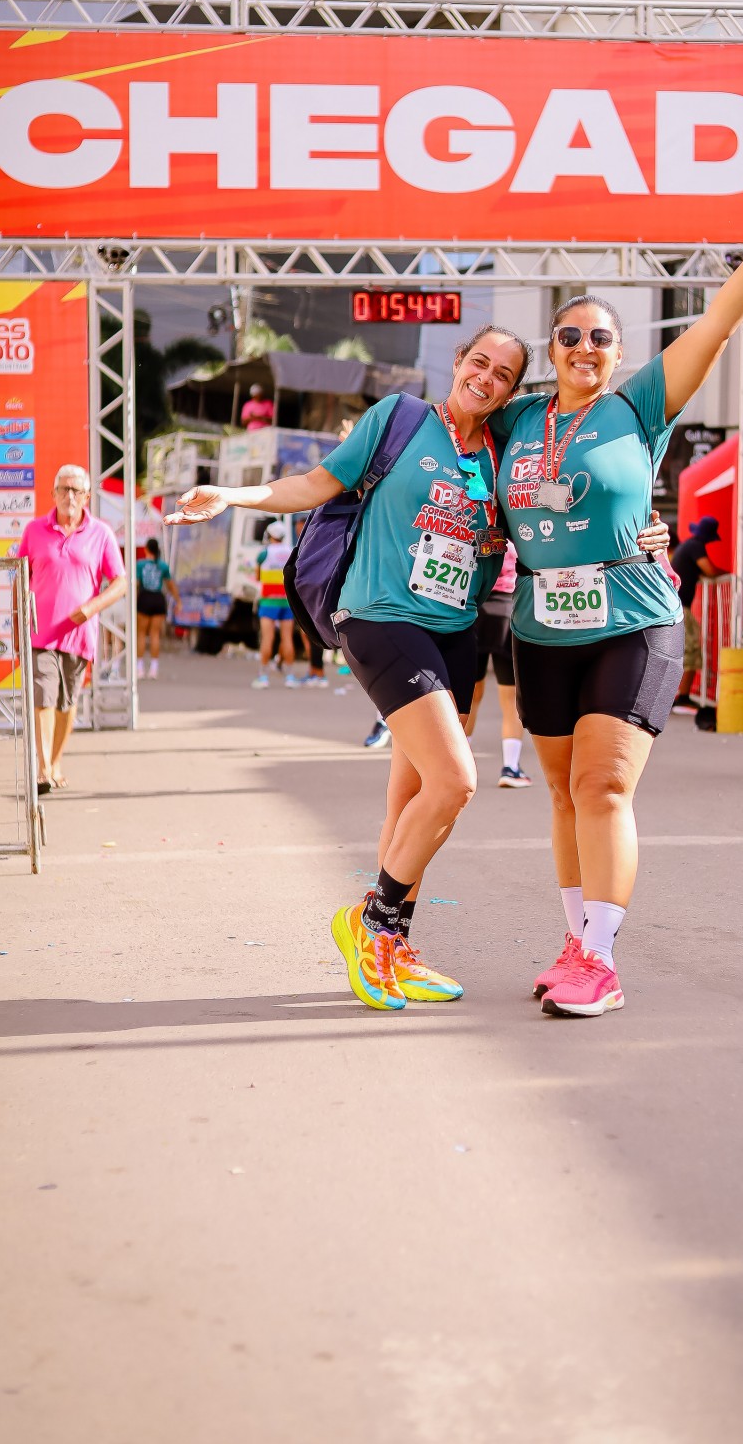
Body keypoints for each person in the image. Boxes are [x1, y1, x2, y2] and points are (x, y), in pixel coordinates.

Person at [493, 164, 743, 1017]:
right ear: (551, 349)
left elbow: (718, 321)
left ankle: (601, 961)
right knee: (564, 793)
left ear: (619, 353)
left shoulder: (640, 404)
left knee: (604, 785)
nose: (584, 347)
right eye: (569, 335)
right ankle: (576, 939)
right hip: (541, 623)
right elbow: (452, 434)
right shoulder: (515, 419)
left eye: (600, 338)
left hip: (633, 617)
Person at [169, 326, 535, 1010]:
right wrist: (234, 495)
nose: (486, 378)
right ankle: (371, 923)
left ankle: (392, 946)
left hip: (456, 630)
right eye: (479, 362)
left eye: (503, 375)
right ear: (458, 361)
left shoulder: (502, 453)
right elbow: (315, 483)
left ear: (512, 391)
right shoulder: (400, 419)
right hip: (382, 616)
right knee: (456, 781)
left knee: (412, 798)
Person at [17, 465, 126, 792]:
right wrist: (18, 626)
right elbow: (20, 579)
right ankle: (42, 769)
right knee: (43, 696)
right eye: (63, 489)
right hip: (40, 632)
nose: (69, 496)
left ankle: (55, 761)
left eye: (76, 490)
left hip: (79, 636)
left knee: (67, 703)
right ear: (53, 494)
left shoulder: (101, 533)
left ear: (87, 496)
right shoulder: (34, 530)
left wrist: (91, 608)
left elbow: (120, 583)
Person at [464, 541, 532, 787]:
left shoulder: (472, 522)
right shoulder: (516, 527)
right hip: (508, 608)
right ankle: (510, 767)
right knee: (511, 698)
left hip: (472, 607)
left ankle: (461, 764)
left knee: (469, 696)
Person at [670, 516, 723, 710]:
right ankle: (682, 695)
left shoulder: (687, 546)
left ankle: (679, 695)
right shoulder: (695, 547)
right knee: (691, 649)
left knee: (682, 650)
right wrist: (727, 573)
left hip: (675, 605)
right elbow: (709, 570)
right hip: (681, 607)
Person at [252, 523, 296, 689]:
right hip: (286, 600)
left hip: (268, 600)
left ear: (269, 535)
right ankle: (290, 676)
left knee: (267, 638)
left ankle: (263, 676)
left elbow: (257, 577)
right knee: (287, 638)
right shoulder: (291, 551)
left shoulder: (264, 553)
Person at [136, 538, 179, 681]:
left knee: (141, 634)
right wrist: (178, 600)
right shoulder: (163, 566)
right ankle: (154, 668)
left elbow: (136, 583)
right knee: (155, 634)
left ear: (147, 549)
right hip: (158, 599)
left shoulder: (140, 565)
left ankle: (139, 668)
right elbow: (170, 585)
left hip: (145, 598)